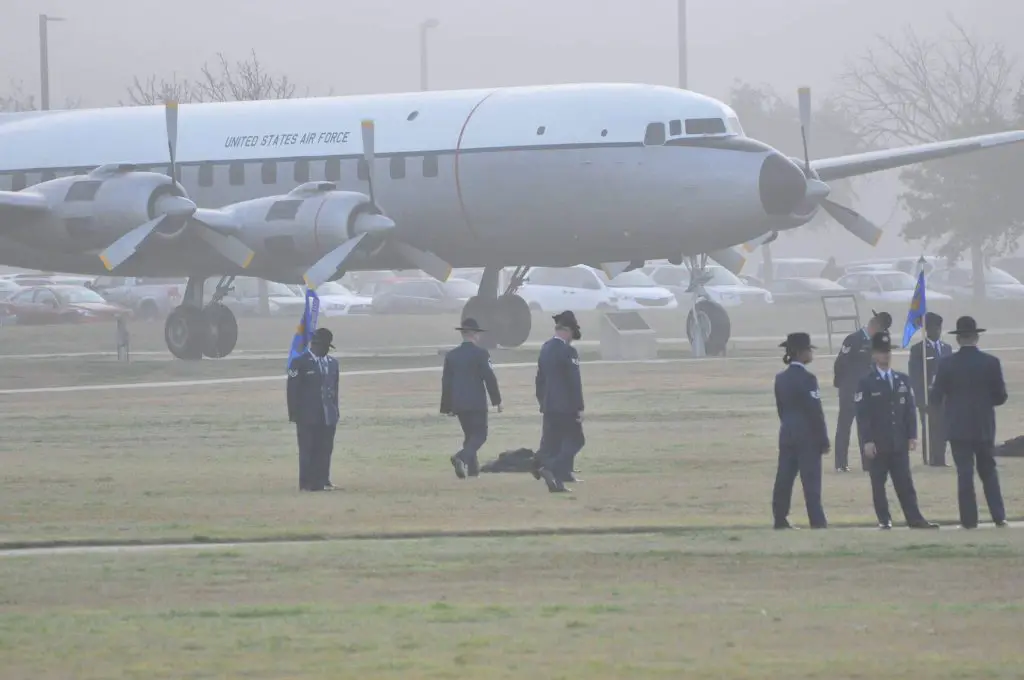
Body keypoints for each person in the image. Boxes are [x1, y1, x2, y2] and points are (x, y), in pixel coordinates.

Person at [930, 316, 1009, 529]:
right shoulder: (991, 363)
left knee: (964, 474)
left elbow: (936, 397)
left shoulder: (946, 364)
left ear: (958, 339)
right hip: (983, 426)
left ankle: (969, 520)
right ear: (976, 337)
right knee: (988, 472)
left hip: (958, 427)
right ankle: (999, 516)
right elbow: (1001, 396)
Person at [855, 331, 938, 529]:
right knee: (878, 484)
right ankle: (884, 520)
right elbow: (863, 415)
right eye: (882, 352)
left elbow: (909, 409)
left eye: (888, 352)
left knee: (905, 484)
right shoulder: (866, 382)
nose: (886, 356)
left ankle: (915, 519)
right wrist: (867, 441)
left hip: (898, 441)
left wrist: (912, 435)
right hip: (878, 443)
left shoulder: (902, 379)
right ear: (874, 355)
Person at [771, 332, 830, 529]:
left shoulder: (781, 379)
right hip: (808, 438)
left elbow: (781, 409)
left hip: (787, 434)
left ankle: (780, 518)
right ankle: (817, 521)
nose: (811, 354)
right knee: (811, 483)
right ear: (799, 353)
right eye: (808, 350)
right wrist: (823, 439)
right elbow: (815, 411)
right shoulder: (808, 379)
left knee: (784, 480)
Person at [440, 318, 502, 478]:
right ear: (475, 335)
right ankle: (460, 458)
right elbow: (489, 377)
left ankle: (473, 470)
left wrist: (447, 407)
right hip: (476, 402)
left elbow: (446, 382)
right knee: (480, 435)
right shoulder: (481, 354)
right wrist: (497, 400)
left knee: (469, 436)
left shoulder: (452, 356)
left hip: (458, 403)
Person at [833, 310, 892, 472]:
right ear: (874, 326)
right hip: (850, 390)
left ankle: (868, 463)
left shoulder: (877, 342)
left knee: (867, 427)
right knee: (844, 426)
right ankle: (841, 464)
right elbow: (840, 364)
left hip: (869, 392)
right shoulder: (853, 339)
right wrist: (844, 385)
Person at [534, 310, 585, 493]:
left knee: (553, 444)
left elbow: (539, 379)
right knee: (576, 440)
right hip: (566, 406)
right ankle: (551, 469)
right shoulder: (568, 351)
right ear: (568, 331)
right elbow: (574, 382)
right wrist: (579, 407)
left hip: (549, 405)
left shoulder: (546, 348)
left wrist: (543, 401)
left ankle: (558, 481)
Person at [287, 327, 340, 492]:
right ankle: (307, 483)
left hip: (327, 415)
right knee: (308, 449)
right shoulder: (299, 362)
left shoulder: (332, 363)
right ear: (316, 345)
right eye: (324, 346)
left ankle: (323, 480)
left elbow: (334, 389)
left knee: (325, 449)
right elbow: (292, 390)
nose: (326, 350)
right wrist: (294, 413)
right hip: (307, 415)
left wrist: (335, 411)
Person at [908, 312, 953, 466]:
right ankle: (930, 458)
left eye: (939, 328)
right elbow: (915, 376)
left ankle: (940, 457)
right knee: (930, 427)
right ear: (927, 329)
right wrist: (921, 399)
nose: (937, 331)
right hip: (928, 396)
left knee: (943, 427)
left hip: (944, 397)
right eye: (934, 328)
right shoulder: (918, 349)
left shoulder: (947, 348)